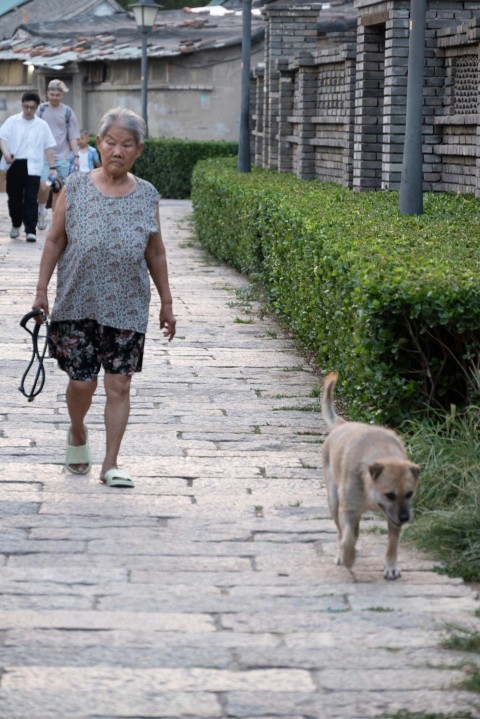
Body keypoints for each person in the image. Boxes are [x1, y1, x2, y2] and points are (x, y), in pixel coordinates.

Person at [32, 107, 176, 488]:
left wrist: (167, 302)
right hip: (77, 301)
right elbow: (55, 239)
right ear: (98, 144)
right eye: (110, 142)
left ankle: (110, 463)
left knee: (119, 384)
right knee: (82, 383)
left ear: (138, 151)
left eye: (126, 144)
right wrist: (41, 290)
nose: (117, 150)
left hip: (127, 305)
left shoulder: (147, 195)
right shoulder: (75, 186)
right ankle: (77, 428)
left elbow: (156, 252)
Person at [0, 91, 56, 242]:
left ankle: (31, 230)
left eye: (32, 107)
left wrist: (52, 167)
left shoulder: (42, 125)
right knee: (14, 198)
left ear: (37, 107)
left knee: (32, 198)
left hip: (34, 165)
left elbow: (49, 147)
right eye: (26, 107)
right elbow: (3, 138)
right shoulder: (12, 121)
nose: (28, 111)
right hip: (15, 163)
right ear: (22, 105)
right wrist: (6, 153)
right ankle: (16, 224)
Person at [36, 79, 80, 229]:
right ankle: (41, 212)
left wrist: (76, 157)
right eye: (52, 94)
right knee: (44, 187)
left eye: (57, 95)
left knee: (58, 190)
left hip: (62, 158)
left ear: (62, 95)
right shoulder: (40, 110)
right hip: (43, 158)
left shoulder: (67, 112)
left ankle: (55, 223)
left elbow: (73, 136)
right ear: (47, 93)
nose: (54, 97)